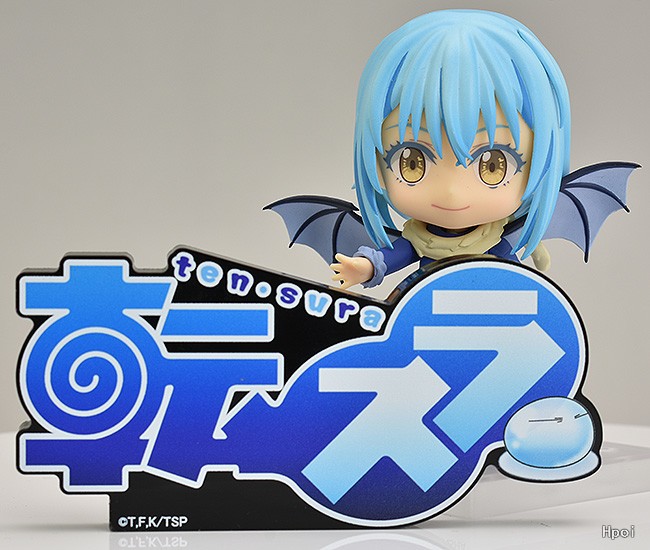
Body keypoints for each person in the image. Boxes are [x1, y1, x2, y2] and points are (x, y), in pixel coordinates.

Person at [331, 10, 569, 289]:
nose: (452, 192)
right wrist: (365, 267)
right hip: (425, 304)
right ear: (375, 160)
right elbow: (392, 256)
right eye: (412, 163)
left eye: (493, 166)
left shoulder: (496, 241)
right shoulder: (419, 239)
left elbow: (516, 281)